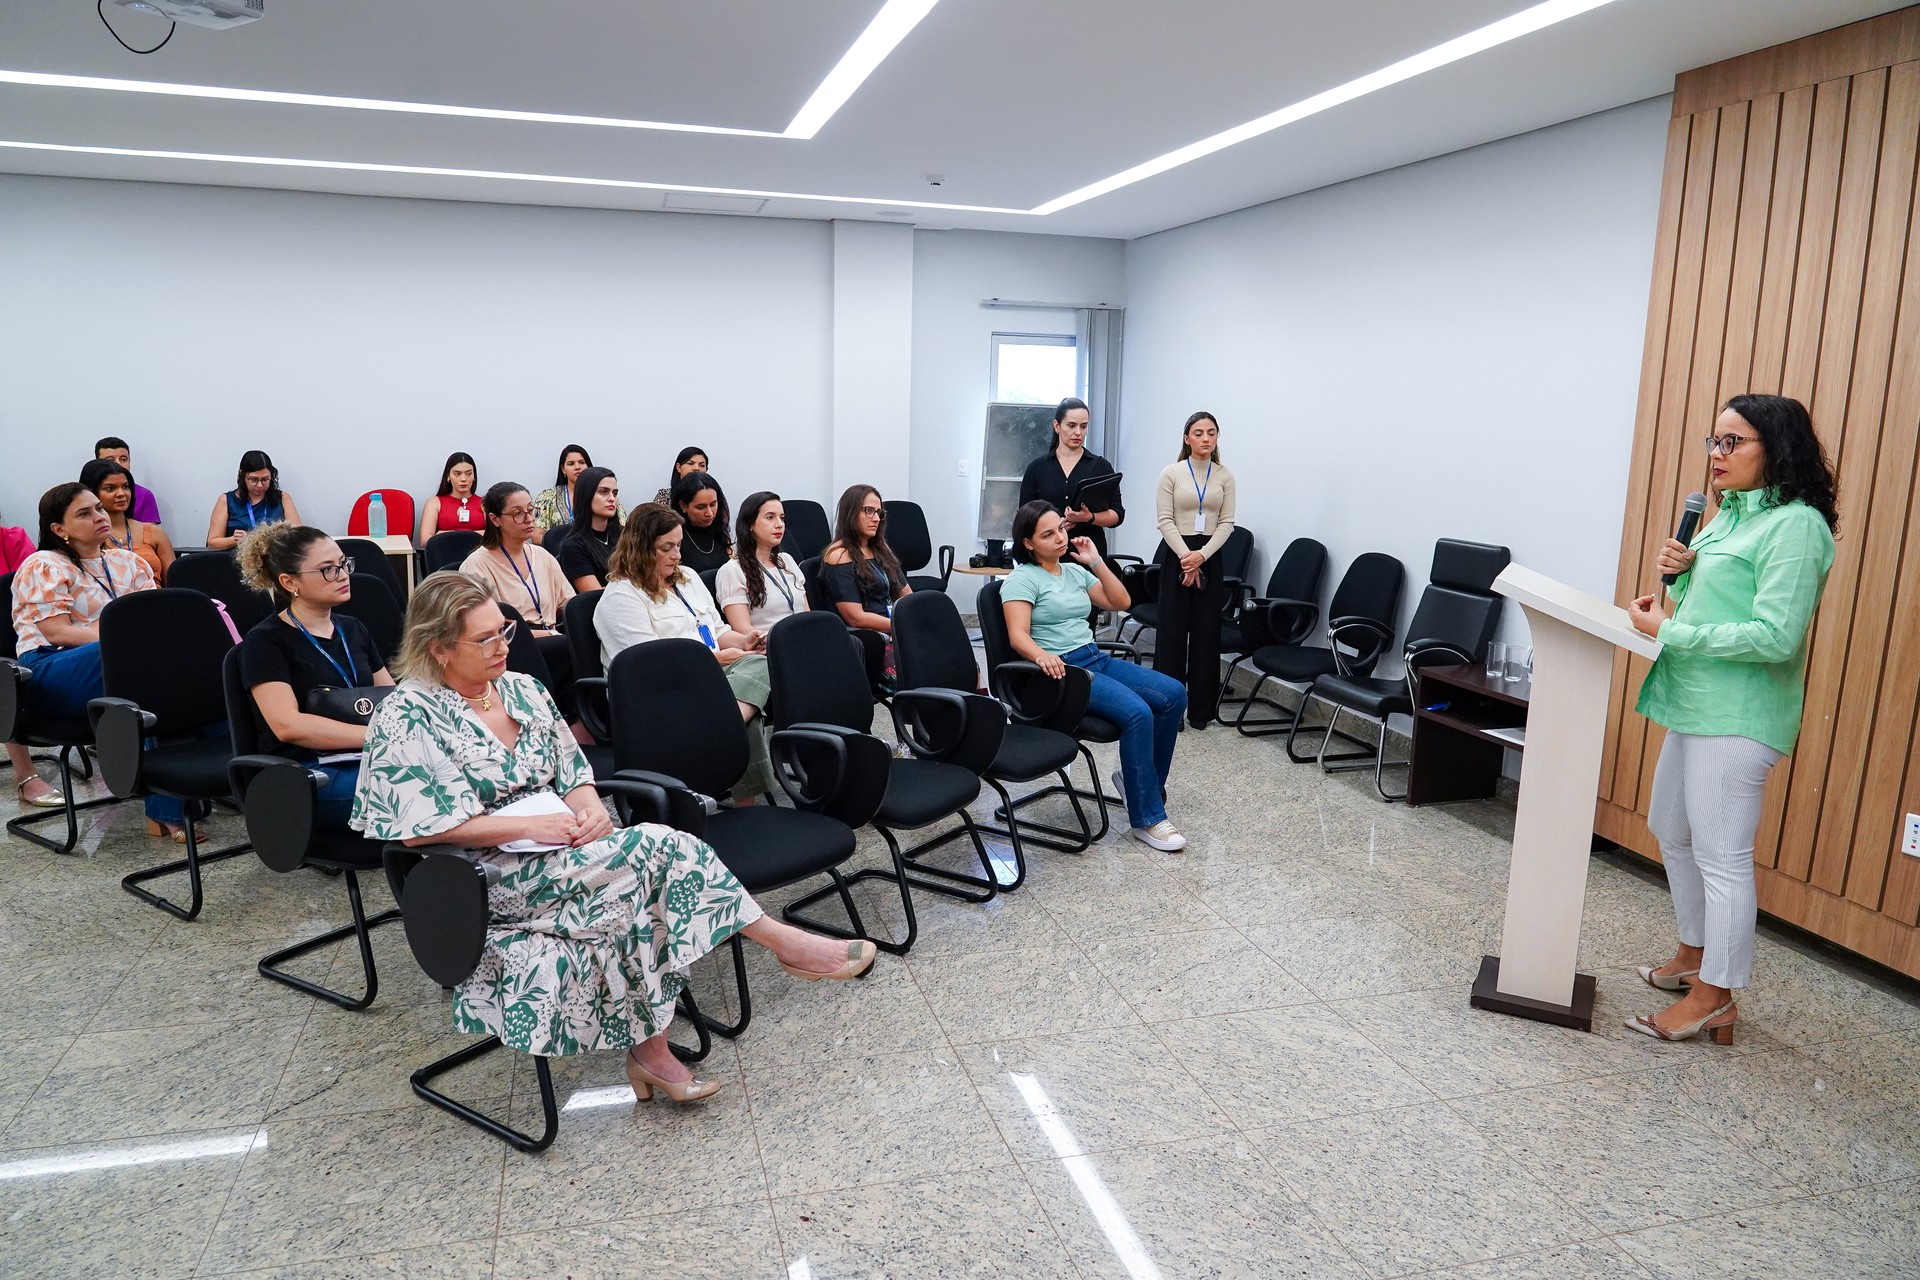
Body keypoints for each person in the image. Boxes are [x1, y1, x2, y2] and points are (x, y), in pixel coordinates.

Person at [351, 571, 875, 1104]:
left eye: (504, 632)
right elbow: (420, 831)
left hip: (564, 849)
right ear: (438, 648)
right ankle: (785, 947)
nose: (502, 647)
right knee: (660, 849)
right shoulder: (407, 714)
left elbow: (573, 774)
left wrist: (591, 814)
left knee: (639, 884)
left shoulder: (523, 691)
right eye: (483, 639)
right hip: (485, 874)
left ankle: (653, 1055)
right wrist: (530, 826)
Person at [1625, 394, 1837, 1045]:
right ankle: (1694, 955)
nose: (1715, 456)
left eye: (1731, 443)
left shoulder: (1797, 526)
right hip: (1695, 703)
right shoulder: (1722, 520)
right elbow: (1715, 608)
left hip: (1740, 716)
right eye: (1713, 441)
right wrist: (1681, 587)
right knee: (1671, 828)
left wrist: (1674, 632)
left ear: (1775, 449)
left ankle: (1717, 995)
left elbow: (1775, 635)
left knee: (1723, 857)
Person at [10, 482, 193, 837]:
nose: (99, 516)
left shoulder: (130, 561)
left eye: (99, 508)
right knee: (148, 660)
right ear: (59, 530)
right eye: (85, 513)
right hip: (51, 669)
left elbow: (155, 620)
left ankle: (214, 787)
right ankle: (166, 808)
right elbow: (57, 632)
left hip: (125, 663)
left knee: (184, 670)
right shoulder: (44, 563)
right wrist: (127, 641)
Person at [1004, 502, 1188, 851]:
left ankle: (1140, 787)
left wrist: (1096, 562)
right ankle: (1148, 818)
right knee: (1138, 713)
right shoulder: (1022, 579)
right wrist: (1043, 655)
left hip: (1093, 657)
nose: (1060, 538)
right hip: (1062, 672)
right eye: (1048, 534)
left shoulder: (1073, 571)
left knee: (1174, 694)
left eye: (1060, 528)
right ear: (1028, 543)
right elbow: (1018, 635)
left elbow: (1120, 602)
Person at [595, 505, 775, 804]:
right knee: (748, 710)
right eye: (666, 548)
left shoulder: (687, 578)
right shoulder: (620, 597)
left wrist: (744, 642)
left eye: (678, 545)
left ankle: (723, 721)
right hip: (663, 691)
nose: (677, 555)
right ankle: (745, 795)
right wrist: (715, 660)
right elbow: (647, 669)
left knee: (768, 661)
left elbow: (717, 630)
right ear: (640, 548)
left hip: (711, 677)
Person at [236, 524, 393, 829]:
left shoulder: (353, 628)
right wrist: (376, 738)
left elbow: (390, 697)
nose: (343, 574)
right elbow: (287, 726)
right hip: (304, 771)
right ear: (289, 581)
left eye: (344, 564)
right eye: (327, 570)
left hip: (364, 757)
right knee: (417, 788)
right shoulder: (265, 641)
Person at [459, 482, 576, 717]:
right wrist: (552, 635)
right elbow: (487, 630)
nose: (529, 519)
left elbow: (570, 605)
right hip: (511, 645)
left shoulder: (543, 556)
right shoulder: (477, 564)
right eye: (517, 513)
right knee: (566, 647)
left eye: (531, 510)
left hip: (553, 635)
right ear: (495, 519)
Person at [1152, 412, 1236, 729]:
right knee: (1172, 635)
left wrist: (1201, 557)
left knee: (1205, 636)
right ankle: (1168, 709)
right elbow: (1165, 520)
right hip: (1177, 554)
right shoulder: (1171, 473)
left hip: (1210, 557)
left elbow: (1227, 523)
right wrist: (1187, 557)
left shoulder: (1224, 476)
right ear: (1187, 438)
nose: (1205, 438)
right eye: (1198, 433)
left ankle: (1201, 712)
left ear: (1216, 438)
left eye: (1211, 433)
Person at [822, 484, 911, 693]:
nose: (876, 518)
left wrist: (915, 622)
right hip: (870, 635)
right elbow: (855, 618)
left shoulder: (879, 548)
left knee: (956, 659)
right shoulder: (839, 555)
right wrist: (900, 626)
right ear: (850, 513)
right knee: (927, 668)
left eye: (879, 512)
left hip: (893, 628)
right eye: (868, 511)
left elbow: (905, 594)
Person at [1018, 397, 1125, 561]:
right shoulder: (1037, 468)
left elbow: (1117, 515)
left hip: (1089, 555)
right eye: (1071, 425)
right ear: (1056, 426)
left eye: (1084, 426)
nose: (1078, 432)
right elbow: (1024, 517)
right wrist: (1054, 526)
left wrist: (1089, 518)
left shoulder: (1101, 467)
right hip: (1047, 556)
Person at [716, 491, 807, 635]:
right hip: (768, 648)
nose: (779, 525)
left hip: (802, 640)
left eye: (782, 518)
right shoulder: (733, 571)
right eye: (770, 518)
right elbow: (743, 630)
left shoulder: (787, 560)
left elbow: (806, 614)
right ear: (750, 524)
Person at [81, 458, 175, 585]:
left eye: (125, 487)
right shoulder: (85, 536)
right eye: (110, 489)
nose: (121, 494)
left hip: (157, 601)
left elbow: (175, 582)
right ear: (91, 493)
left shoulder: (154, 533)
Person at [206, 450, 300, 551]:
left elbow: (299, 534)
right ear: (241, 475)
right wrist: (235, 540)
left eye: (265, 479)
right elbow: (212, 543)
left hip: (274, 559)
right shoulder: (226, 500)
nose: (260, 485)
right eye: (253, 480)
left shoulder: (282, 498)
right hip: (237, 560)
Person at [556, 467, 621, 591]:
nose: (611, 498)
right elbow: (592, 596)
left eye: (615, 493)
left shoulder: (626, 536)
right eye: (603, 492)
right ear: (586, 495)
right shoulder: (573, 546)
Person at [533, 444, 621, 534]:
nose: (577, 467)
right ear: (563, 469)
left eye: (582, 462)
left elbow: (625, 531)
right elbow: (537, 536)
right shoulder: (547, 496)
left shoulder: (608, 497)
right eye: (571, 464)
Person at [670, 471, 733, 579]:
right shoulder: (674, 536)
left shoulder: (720, 531)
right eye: (701, 507)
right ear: (683, 506)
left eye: (713, 504)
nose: (709, 513)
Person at [93, 437, 163, 525]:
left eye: (123, 459)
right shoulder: (86, 494)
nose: (118, 464)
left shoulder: (144, 495)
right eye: (110, 460)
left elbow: (149, 534)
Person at [419, 452, 481, 542]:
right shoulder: (434, 502)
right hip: (444, 553)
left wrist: (446, 535)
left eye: (468, 474)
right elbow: (425, 540)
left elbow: (494, 538)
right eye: (457, 474)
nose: (463, 479)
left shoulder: (484, 503)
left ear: (474, 476)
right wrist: (475, 534)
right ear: (448, 476)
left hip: (478, 554)